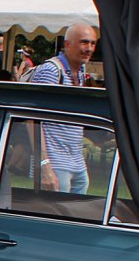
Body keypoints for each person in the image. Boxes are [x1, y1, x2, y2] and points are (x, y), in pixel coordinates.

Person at [28, 22, 99, 193]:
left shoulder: (80, 71)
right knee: (54, 217)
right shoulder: (52, 71)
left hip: (76, 163)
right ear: (67, 44)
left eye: (92, 43)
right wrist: (44, 165)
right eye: (83, 42)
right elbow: (32, 120)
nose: (88, 48)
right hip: (55, 164)